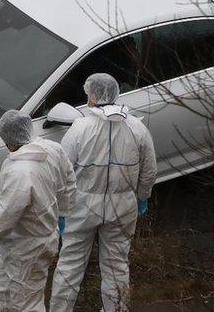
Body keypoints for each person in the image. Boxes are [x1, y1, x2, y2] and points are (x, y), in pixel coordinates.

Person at [50, 73, 157, 312]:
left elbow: (62, 172)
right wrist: (142, 197)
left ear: (93, 95)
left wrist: (61, 209)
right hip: (122, 208)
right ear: (116, 93)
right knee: (117, 266)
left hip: (82, 208)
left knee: (70, 266)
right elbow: (149, 171)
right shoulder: (136, 128)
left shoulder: (80, 128)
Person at [0, 110, 75, 312]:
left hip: (28, 247)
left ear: (6, 139)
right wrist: (63, 213)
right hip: (17, 242)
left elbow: (6, 215)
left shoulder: (20, 171)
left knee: (26, 302)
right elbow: (68, 181)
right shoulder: (52, 149)